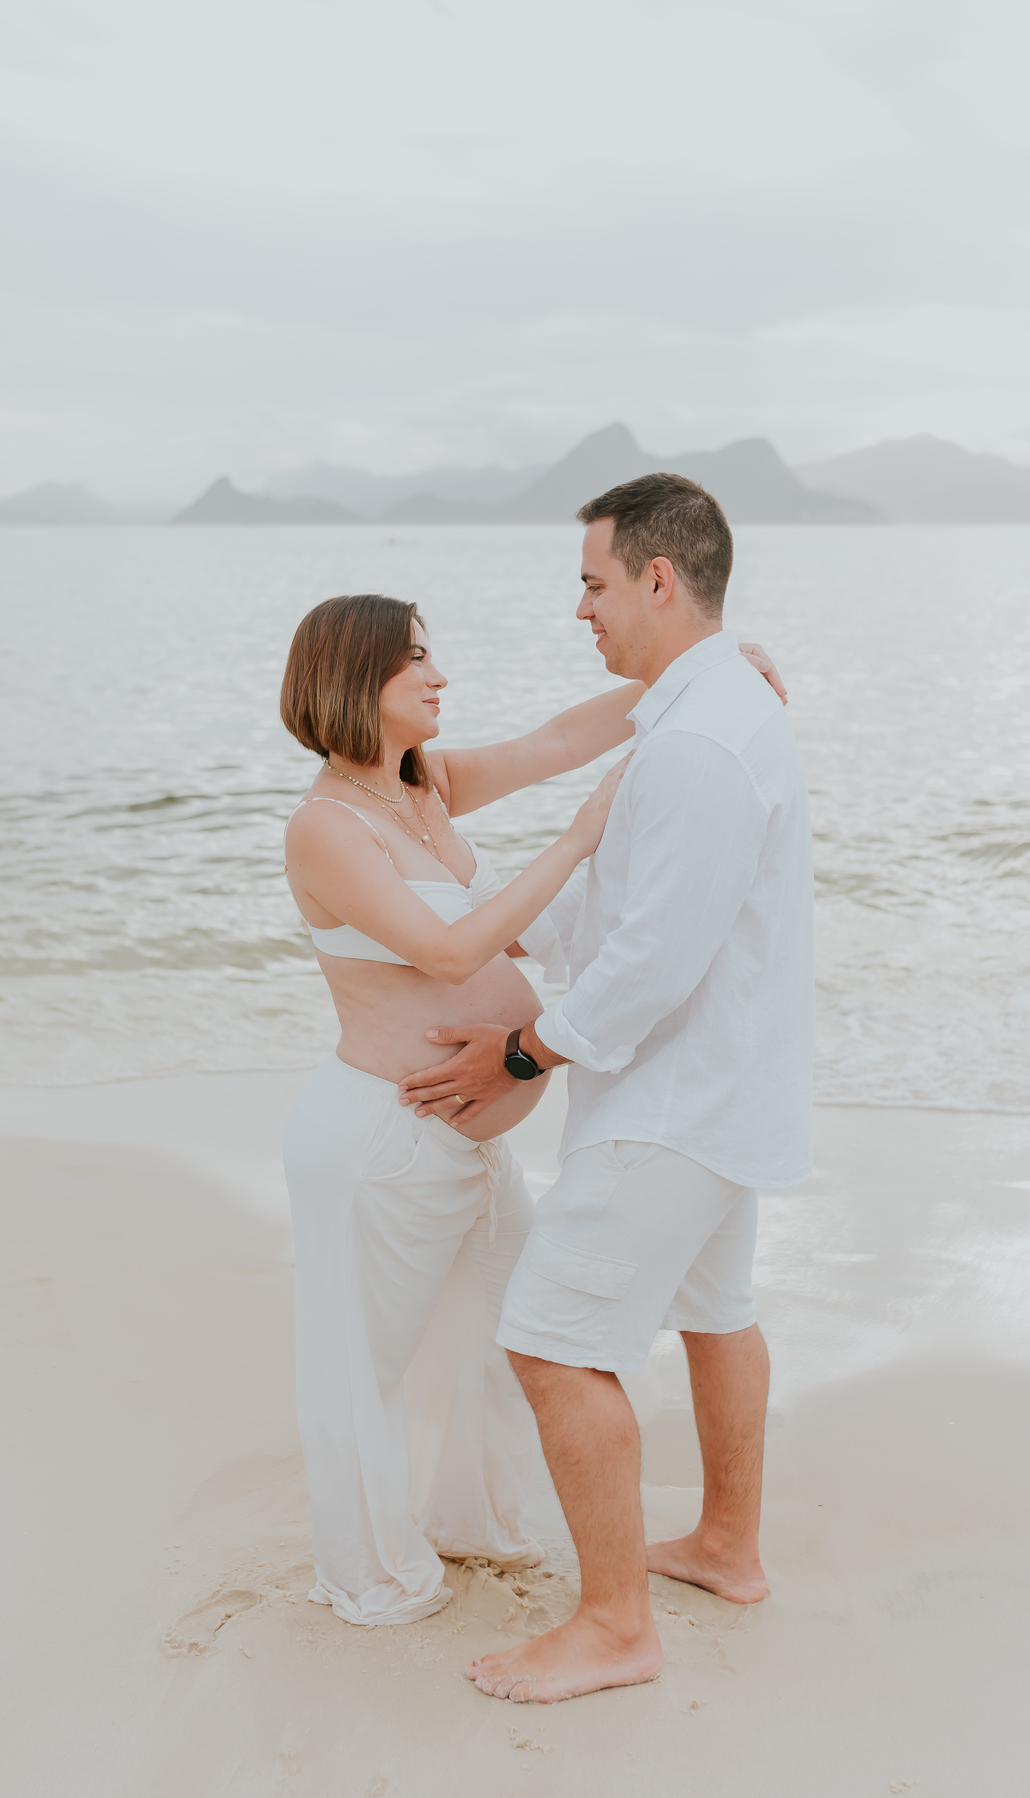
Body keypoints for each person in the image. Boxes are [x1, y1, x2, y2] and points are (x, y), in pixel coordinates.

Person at [278, 592, 784, 1628]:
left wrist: (703, 666)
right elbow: (452, 950)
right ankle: (372, 1573)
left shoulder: (426, 784)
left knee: (499, 1334)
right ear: (351, 678)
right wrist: (579, 839)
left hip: (461, 1148)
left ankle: (480, 1519)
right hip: (379, 1136)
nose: (439, 675)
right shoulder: (327, 829)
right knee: (359, 1364)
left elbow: (563, 735)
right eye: (414, 660)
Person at [397, 474, 815, 1701]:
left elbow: (650, 961)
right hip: (728, 1088)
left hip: (674, 1104)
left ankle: (616, 1624)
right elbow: (634, 903)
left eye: (591, 582)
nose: (578, 607)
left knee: (550, 1339)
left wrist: (521, 1054)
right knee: (716, 1305)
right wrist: (512, 926)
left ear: (657, 579)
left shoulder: (694, 739)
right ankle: (728, 1548)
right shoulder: (716, 703)